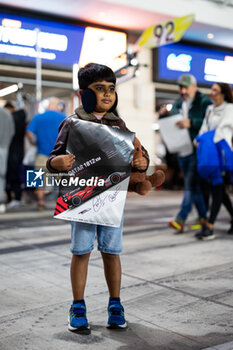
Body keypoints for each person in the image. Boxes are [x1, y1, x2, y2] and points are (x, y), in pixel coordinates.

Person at [46, 63, 149, 333]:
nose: (107, 95)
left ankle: (115, 304)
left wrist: (141, 162)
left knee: (111, 252)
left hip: (112, 199)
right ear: (84, 94)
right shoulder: (72, 123)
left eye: (111, 89)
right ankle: (77, 306)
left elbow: (140, 154)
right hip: (82, 199)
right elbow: (52, 158)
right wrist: (57, 163)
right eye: (100, 89)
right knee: (80, 251)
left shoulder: (118, 124)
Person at [159, 74, 212, 232]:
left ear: (194, 87)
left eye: (185, 87)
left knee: (190, 185)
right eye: (180, 87)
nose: (182, 90)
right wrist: (163, 114)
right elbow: (170, 120)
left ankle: (181, 219)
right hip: (182, 150)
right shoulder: (178, 103)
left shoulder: (204, 101)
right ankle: (203, 218)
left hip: (197, 149)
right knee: (193, 186)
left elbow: (212, 122)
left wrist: (192, 123)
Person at [195, 83, 233, 240]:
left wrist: (205, 139)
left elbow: (223, 130)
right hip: (208, 153)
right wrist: (198, 139)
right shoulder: (210, 109)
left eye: (215, 90)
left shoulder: (230, 108)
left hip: (222, 153)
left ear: (223, 94)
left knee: (217, 188)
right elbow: (204, 128)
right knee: (218, 190)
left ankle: (210, 225)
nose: (211, 93)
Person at [26, 97, 66, 210]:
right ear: (58, 106)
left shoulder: (38, 117)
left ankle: (40, 202)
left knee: (38, 180)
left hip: (41, 153)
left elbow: (28, 133)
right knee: (64, 182)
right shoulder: (64, 118)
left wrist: (33, 143)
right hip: (59, 155)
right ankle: (64, 206)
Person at [4, 101, 26, 208]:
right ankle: (19, 197)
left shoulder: (11, 119)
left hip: (11, 151)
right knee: (18, 175)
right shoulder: (21, 119)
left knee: (11, 175)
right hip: (20, 151)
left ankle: (15, 198)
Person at [0, 107, 15, 213]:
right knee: (1, 175)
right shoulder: (7, 114)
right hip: (4, 148)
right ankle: (1, 201)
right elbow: (12, 132)